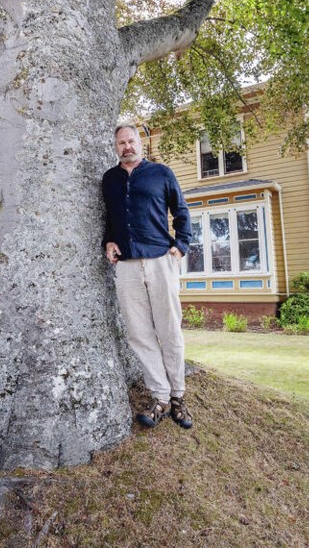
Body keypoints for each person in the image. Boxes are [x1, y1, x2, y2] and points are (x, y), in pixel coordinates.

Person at [102, 123, 193, 429]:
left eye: (131, 141)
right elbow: (110, 218)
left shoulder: (161, 174)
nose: (126, 147)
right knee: (138, 334)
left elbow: (181, 212)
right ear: (115, 147)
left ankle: (178, 397)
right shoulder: (109, 179)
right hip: (126, 266)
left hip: (159, 261)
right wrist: (109, 241)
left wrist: (180, 246)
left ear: (140, 144)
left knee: (169, 330)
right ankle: (161, 397)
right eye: (121, 143)